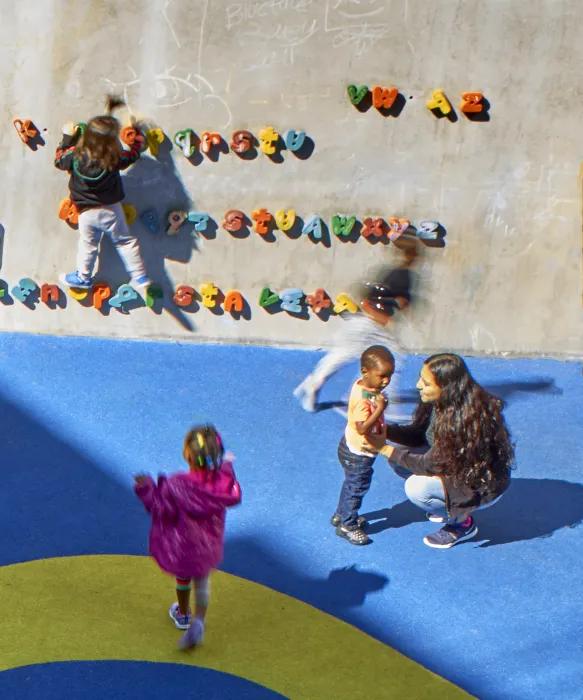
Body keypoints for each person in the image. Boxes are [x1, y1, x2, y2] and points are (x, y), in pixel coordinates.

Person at [378, 353, 516, 549]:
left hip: (481, 485)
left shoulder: (464, 422)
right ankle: (446, 502)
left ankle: (462, 524)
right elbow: (419, 434)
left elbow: (427, 465)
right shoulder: (438, 403)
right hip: (456, 465)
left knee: (416, 488)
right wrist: (385, 430)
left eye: (425, 383)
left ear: (445, 387)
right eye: (420, 377)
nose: (418, 385)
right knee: (399, 456)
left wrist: (383, 448)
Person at [134, 424, 242, 649]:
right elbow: (227, 478)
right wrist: (228, 464)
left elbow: (162, 509)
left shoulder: (176, 485)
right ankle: (199, 621)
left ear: (188, 455)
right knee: (202, 581)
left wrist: (146, 487)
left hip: (182, 546)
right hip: (208, 545)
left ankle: (183, 613)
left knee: (183, 579)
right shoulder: (221, 482)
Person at [293, 233, 421, 417]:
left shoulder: (398, 274)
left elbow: (391, 300)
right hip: (369, 325)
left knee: (343, 355)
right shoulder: (399, 275)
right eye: (415, 254)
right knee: (392, 357)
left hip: (362, 324)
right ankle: (376, 403)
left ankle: (314, 384)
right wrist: (383, 319)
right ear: (410, 255)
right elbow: (368, 300)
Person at [54, 95, 151, 290]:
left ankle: (83, 277)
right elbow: (133, 153)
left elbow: (58, 159)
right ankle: (140, 276)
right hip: (111, 209)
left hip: (86, 212)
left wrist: (67, 138)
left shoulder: (75, 156)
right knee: (125, 242)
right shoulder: (114, 157)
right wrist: (138, 132)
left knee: (88, 245)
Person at [332, 345, 395, 546]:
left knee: (350, 484)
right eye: (382, 376)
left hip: (349, 446)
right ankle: (347, 525)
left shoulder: (362, 385)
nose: (386, 381)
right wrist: (380, 409)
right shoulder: (362, 400)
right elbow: (362, 428)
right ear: (365, 372)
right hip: (359, 453)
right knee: (357, 488)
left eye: (389, 376)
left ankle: (340, 514)